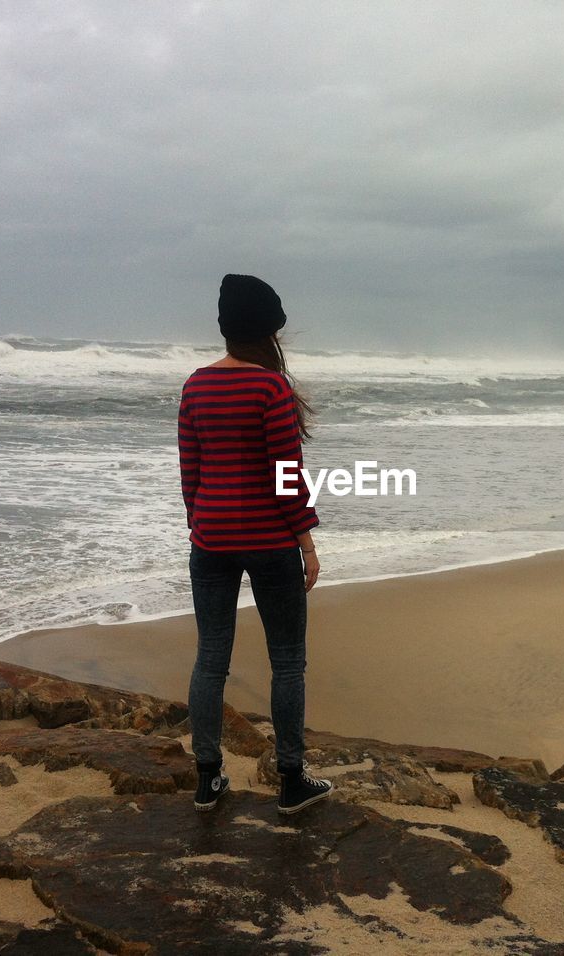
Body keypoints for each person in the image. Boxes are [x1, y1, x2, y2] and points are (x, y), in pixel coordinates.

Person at [178, 273, 333, 815]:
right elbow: (285, 474)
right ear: (269, 331)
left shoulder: (195, 385)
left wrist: (201, 523)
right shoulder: (271, 389)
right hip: (269, 540)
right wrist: (307, 544)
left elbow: (190, 473)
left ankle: (207, 778)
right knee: (287, 662)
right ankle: (292, 781)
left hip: (211, 539)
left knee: (210, 658)